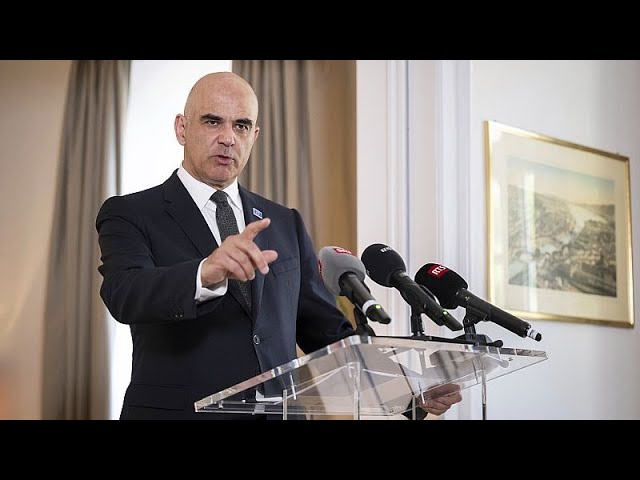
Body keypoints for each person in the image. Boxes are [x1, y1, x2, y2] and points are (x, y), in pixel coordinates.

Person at [96, 71, 462, 420]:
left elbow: (327, 334)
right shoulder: (132, 212)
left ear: (254, 136)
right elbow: (125, 293)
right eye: (212, 121)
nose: (228, 138)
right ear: (181, 128)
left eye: (241, 126)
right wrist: (205, 273)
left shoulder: (284, 222)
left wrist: (409, 391)